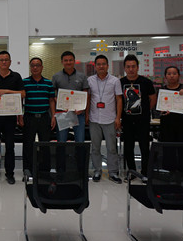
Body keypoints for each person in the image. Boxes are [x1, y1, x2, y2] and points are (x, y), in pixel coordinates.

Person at [0, 50, 25, 184]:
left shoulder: (16, 76)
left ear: (10, 62)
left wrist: (6, 91)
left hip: (10, 117)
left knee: (10, 146)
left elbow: (23, 94)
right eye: (1, 60)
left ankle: (10, 174)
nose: (4, 62)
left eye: (6, 60)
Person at [120, 54, 156, 182]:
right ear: (124, 68)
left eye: (133, 66)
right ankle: (132, 172)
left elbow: (152, 99)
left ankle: (145, 172)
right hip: (127, 120)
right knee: (128, 147)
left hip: (143, 120)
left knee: (144, 147)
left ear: (137, 67)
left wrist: (144, 111)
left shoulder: (146, 82)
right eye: (128, 67)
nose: (131, 69)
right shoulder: (120, 82)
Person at [87, 54, 123, 184]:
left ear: (107, 66)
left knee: (111, 147)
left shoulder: (115, 81)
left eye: (103, 64)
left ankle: (113, 172)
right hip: (94, 118)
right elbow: (88, 98)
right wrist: (86, 115)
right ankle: (97, 170)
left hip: (110, 119)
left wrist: (118, 117)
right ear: (95, 66)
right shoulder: (90, 80)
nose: (101, 66)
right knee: (95, 147)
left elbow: (119, 99)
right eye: (98, 64)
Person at [19, 57, 55, 174]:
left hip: (44, 117)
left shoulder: (48, 83)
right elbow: (20, 100)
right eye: (33, 65)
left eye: (38, 65)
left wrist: (53, 116)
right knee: (28, 144)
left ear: (42, 67)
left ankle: (45, 170)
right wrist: (20, 116)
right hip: (29, 117)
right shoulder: (24, 82)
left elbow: (51, 101)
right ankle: (27, 169)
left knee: (45, 144)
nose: (35, 67)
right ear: (30, 67)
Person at [51, 51, 89, 142]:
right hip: (62, 113)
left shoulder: (82, 76)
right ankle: (62, 153)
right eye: (66, 60)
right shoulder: (56, 76)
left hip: (78, 113)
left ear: (74, 61)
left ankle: (79, 153)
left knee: (80, 141)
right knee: (61, 141)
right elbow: (52, 95)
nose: (68, 62)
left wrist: (82, 109)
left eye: (70, 60)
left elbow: (86, 94)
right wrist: (59, 102)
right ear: (62, 62)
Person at [158, 66, 183, 142]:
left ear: (179, 75)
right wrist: (162, 112)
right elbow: (157, 109)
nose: (172, 76)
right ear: (165, 76)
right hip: (167, 124)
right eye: (169, 74)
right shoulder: (162, 90)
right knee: (168, 147)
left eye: (174, 73)